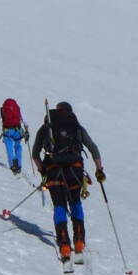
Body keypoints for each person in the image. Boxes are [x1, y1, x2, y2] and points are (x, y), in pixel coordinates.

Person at [32, 101, 104, 262]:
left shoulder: (47, 128)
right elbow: (93, 148)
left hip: (53, 170)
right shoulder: (76, 127)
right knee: (75, 202)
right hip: (75, 170)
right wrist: (99, 170)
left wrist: (43, 170)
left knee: (59, 206)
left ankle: (64, 244)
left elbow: (35, 154)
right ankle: (79, 241)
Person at [0, 98, 28, 174]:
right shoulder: (18, 108)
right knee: (18, 146)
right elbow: (25, 121)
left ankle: (12, 166)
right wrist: (26, 130)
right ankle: (19, 165)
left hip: (7, 131)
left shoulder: (2, 109)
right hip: (17, 131)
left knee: (9, 148)